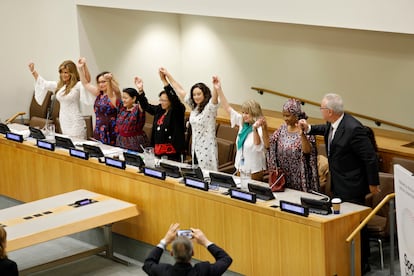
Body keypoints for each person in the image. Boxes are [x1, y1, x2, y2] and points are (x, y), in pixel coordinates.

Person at [298, 93, 380, 274]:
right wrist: (309, 127)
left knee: (357, 225)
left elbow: (370, 157)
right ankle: (346, 257)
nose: (320, 111)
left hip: (352, 185)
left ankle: (362, 262)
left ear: (330, 111)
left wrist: (373, 183)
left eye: (321, 108)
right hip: (339, 183)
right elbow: (324, 130)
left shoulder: (353, 128)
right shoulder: (333, 124)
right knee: (343, 224)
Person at [161, 69, 219, 171]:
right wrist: (167, 75)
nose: (196, 97)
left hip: (207, 150)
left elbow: (214, 99)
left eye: (199, 94)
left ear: (205, 94)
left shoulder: (209, 108)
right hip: (195, 148)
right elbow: (180, 90)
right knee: (197, 176)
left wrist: (216, 87)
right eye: (194, 94)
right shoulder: (194, 107)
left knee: (207, 176)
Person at [215, 77, 268, 181]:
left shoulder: (260, 129)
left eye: (247, 113)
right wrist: (219, 89)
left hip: (254, 170)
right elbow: (227, 108)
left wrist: (255, 129)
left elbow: (258, 146)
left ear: (254, 113)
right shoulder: (243, 123)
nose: (244, 115)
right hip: (240, 166)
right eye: (243, 112)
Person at [28, 60, 95, 139]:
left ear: (72, 73)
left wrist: (83, 66)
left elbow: (87, 81)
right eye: (61, 72)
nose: (63, 75)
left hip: (75, 123)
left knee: (76, 148)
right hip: (64, 121)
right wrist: (33, 71)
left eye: (66, 72)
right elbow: (43, 83)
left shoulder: (77, 85)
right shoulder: (60, 86)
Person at [268, 98, 319, 192]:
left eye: (288, 116)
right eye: (283, 115)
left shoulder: (305, 129)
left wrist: (302, 134)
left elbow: (307, 151)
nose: (285, 119)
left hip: (299, 177)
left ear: (296, 115)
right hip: (283, 177)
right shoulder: (282, 129)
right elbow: (270, 144)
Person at [143, 223, 232, 276]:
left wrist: (165, 241)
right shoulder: (204, 271)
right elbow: (226, 259)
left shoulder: (163, 272)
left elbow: (148, 263)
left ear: (172, 253)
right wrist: (205, 241)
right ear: (192, 252)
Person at [135, 69, 186, 161]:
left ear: (170, 101)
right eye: (160, 100)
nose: (161, 102)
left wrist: (164, 80)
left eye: (164, 100)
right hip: (158, 151)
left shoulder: (177, 111)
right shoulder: (160, 110)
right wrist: (140, 90)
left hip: (172, 153)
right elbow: (146, 106)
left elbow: (174, 98)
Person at [77, 57, 121, 145]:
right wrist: (81, 68)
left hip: (112, 129)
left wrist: (110, 80)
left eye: (104, 82)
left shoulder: (114, 94)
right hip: (99, 128)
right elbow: (85, 83)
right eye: (99, 82)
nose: (101, 84)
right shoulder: (99, 94)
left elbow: (117, 92)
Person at [107, 84, 149, 152]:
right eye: (123, 98)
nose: (123, 100)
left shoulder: (138, 108)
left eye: (126, 98)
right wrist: (109, 81)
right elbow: (111, 96)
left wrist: (140, 90)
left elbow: (143, 102)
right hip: (121, 140)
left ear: (134, 98)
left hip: (135, 142)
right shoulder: (122, 107)